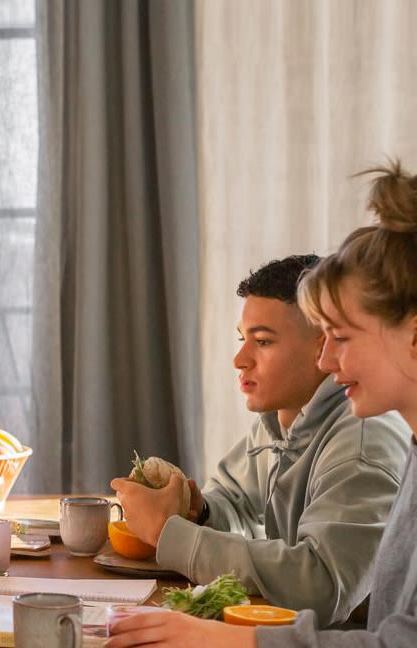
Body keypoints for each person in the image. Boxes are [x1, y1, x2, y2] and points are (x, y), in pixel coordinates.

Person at [107, 160, 417, 647]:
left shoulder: (364, 441)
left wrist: (225, 637)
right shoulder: (288, 424)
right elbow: (237, 507)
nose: (327, 359)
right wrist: (195, 510)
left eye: (341, 336)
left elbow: (332, 594)